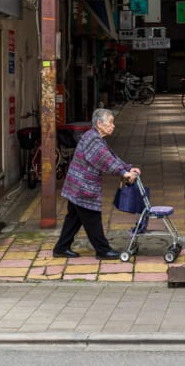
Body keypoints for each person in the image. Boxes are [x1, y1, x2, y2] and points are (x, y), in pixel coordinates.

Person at [53, 107, 140, 260]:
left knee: (74, 218)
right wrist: (123, 173)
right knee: (92, 217)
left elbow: (110, 155)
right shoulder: (93, 139)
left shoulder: (95, 137)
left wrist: (126, 168)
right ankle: (102, 250)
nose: (113, 126)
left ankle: (61, 247)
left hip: (77, 184)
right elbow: (104, 159)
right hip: (82, 187)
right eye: (110, 122)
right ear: (99, 123)